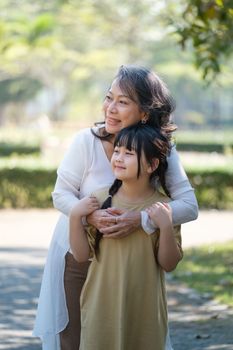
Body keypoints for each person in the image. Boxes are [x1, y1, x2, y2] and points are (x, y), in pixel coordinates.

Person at [33, 65, 198, 350]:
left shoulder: (161, 149)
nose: (110, 108)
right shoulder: (86, 141)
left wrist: (141, 219)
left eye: (123, 102)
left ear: (145, 112)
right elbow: (61, 195)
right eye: (109, 98)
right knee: (75, 339)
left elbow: (189, 206)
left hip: (132, 263)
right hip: (79, 255)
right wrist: (91, 216)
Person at [69, 124, 183, 350]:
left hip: (145, 312)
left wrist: (166, 226)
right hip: (101, 308)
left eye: (129, 153)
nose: (119, 158)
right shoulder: (98, 200)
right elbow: (81, 256)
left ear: (152, 164)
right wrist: (75, 216)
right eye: (117, 150)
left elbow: (169, 264)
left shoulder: (165, 207)